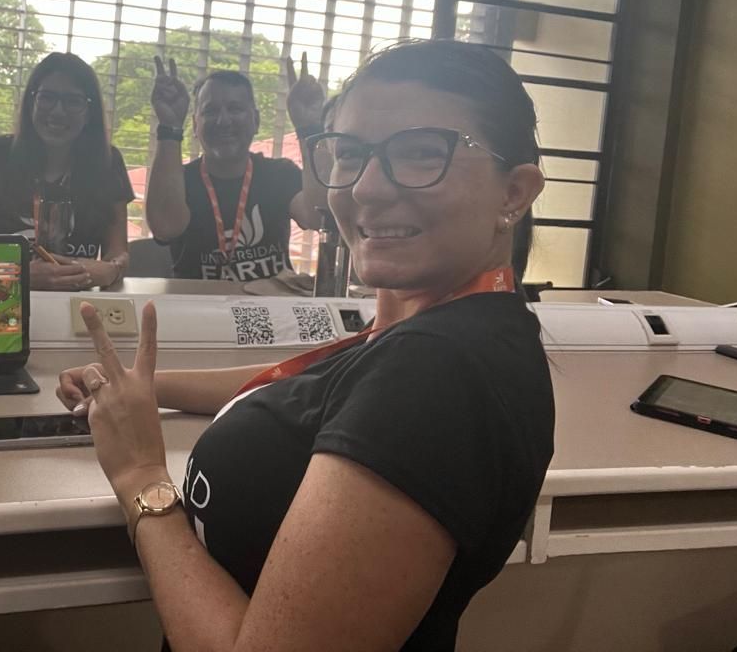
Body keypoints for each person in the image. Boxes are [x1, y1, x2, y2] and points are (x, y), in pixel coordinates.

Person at [59, 39, 555, 651]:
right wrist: (146, 390)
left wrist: (141, 477)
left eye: (422, 153)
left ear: (515, 192)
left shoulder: (437, 375)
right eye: (350, 155)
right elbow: (311, 386)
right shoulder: (438, 329)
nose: (368, 190)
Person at [144, 55, 327, 281]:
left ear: (256, 121)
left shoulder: (279, 175)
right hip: (195, 307)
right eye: (210, 111)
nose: (223, 121)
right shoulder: (180, 181)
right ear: (194, 125)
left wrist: (310, 128)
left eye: (235, 109)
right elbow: (164, 227)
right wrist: (169, 126)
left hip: (270, 308)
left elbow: (319, 217)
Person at [0, 52, 134, 291]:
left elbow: (118, 253)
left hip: (78, 302)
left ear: (88, 112)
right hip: (3, 301)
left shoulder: (108, 161)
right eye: (47, 98)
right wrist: (19, 274)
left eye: (73, 101)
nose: (58, 111)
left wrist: (111, 270)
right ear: (31, 102)